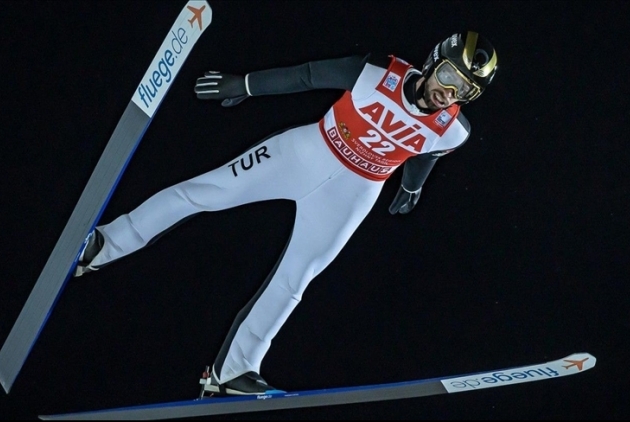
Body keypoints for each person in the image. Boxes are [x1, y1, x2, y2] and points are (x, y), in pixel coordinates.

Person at [74, 31, 498, 396]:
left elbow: (426, 154)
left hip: (353, 194)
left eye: (465, 91)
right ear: (434, 61)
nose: (449, 94)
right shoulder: (377, 72)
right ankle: (103, 245)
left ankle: (233, 372)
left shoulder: (454, 130)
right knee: (204, 193)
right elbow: (306, 76)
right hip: (304, 154)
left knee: (297, 277)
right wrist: (245, 84)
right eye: (449, 77)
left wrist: (411, 186)